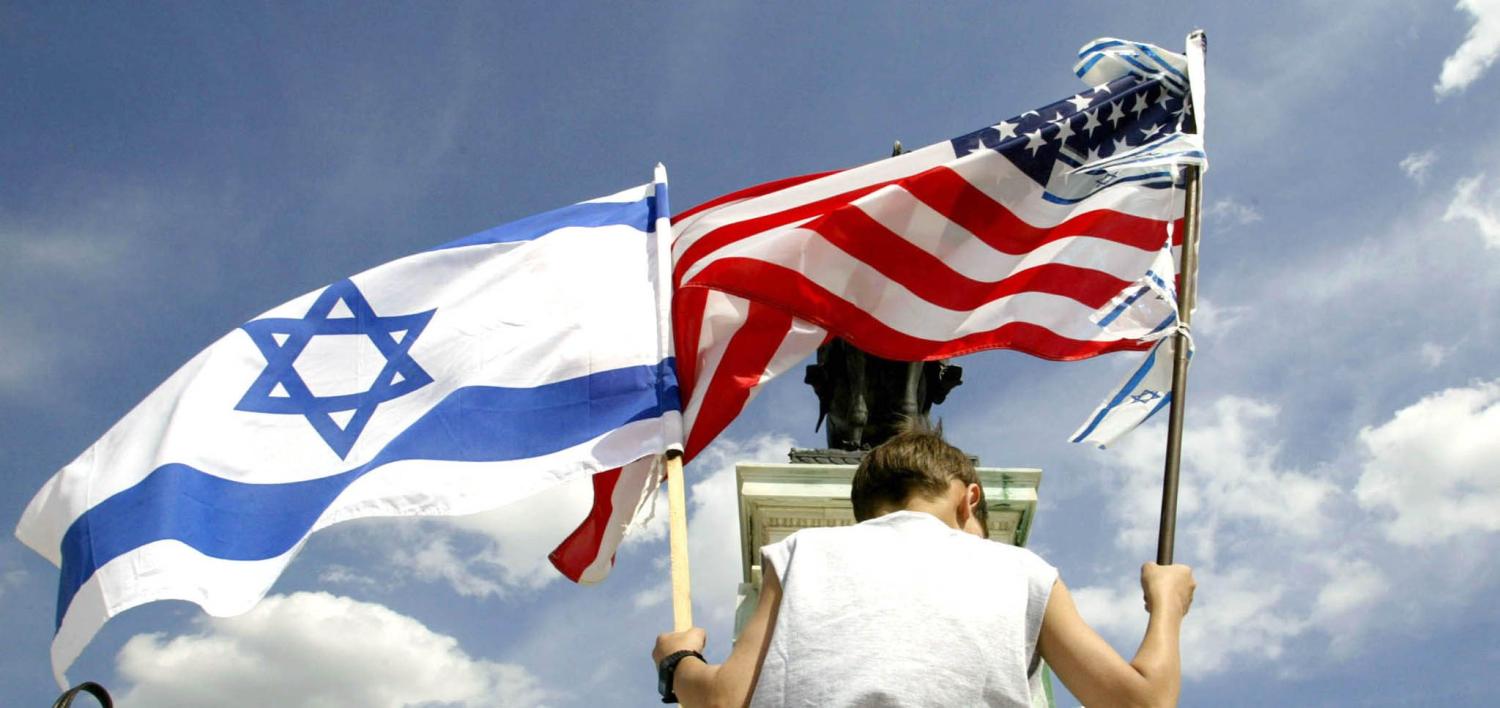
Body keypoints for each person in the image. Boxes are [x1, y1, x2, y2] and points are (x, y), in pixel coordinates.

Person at [652, 423, 1197, 707]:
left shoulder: (800, 554)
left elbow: (723, 699)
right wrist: (1166, 604)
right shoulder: (1021, 570)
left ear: (864, 510)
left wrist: (679, 661)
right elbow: (1142, 703)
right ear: (970, 501)